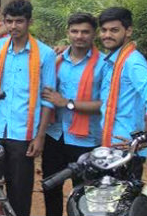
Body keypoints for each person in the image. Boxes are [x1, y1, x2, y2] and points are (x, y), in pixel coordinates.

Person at [0, 0, 56, 216]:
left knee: (19, 191)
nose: (13, 26)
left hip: (23, 134)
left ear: (29, 22)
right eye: (9, 21)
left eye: (19, 21)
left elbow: (47, 100)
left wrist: (40, 136)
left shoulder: (45, 54)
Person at [40, 13, 106, 216]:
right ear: (67, 32)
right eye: (75, 31)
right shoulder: (55, 60)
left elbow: (105, 104)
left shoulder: (104, 64)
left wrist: (67, 103)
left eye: (85, 32)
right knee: (51, 187)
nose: (79, 36)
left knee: (85, 193)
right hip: (54, 135)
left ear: (94, 34)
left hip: (85, 139)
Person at [97, 7, 147, 179]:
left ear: (128, 31)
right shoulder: (114, 60)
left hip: (126, 152)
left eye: (114, 30)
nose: (107, 35)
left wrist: (143, 139)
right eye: (104, 30)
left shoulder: (132, 62)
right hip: (111, 149)